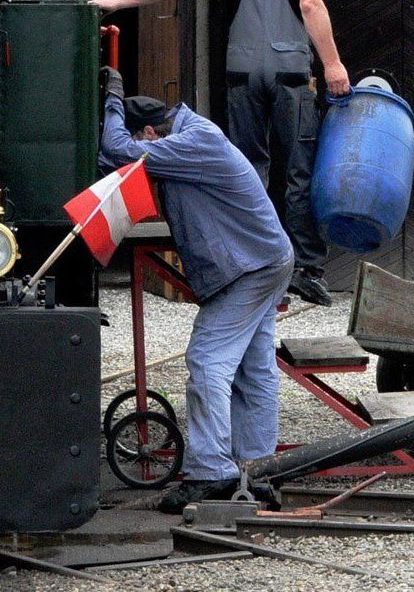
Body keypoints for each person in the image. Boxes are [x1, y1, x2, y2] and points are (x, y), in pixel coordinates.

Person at [90, 0, 348, 307]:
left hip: (242, 76)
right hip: (292, 76)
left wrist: (118, 1)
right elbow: (310, 4)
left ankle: (255, 260)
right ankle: (307, 269)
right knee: (300, 171)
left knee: (249, 169)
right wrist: (332, 65)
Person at [98, 68, 294, 512]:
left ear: (150, 133)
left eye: (142, 140)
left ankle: (211, 473)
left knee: (208, 361)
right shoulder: (191, 136)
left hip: (250, 266)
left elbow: (119, 150)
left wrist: (113, 98)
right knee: (253, 370)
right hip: (263, 258)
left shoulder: (196, 141)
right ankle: (257, 469)